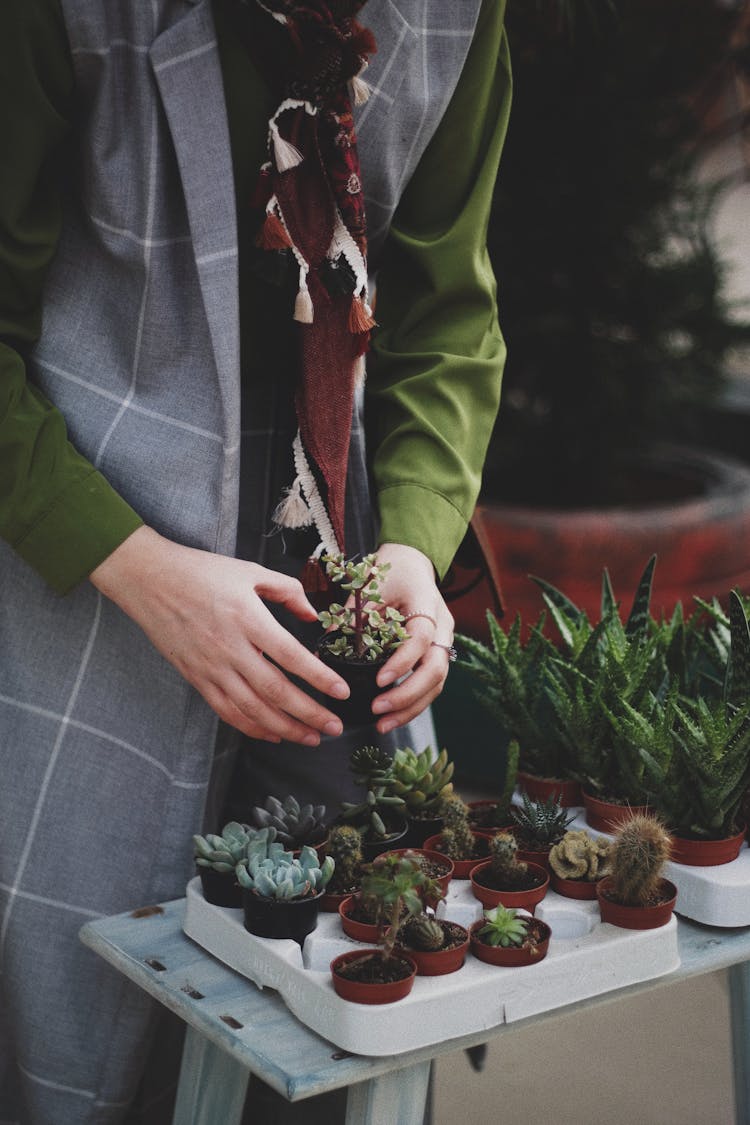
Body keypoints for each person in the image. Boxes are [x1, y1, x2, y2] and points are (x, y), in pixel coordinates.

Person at [0, 0, 511, 1121]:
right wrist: (133, 566)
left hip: (338, 585)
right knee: (83, 1024)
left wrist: (414, 551)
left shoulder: (460, 16)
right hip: (82, 590)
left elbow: (445, 309)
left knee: (353, 1020)